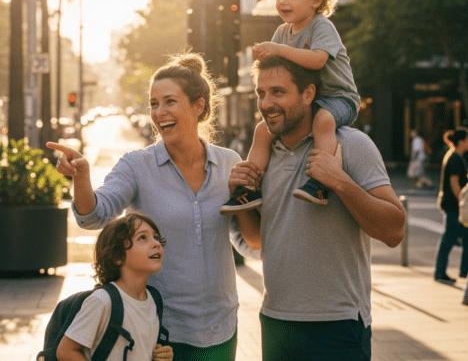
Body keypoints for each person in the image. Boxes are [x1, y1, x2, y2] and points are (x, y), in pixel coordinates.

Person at [48, 53, 241, 361]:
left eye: (169, 101)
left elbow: (247, 240)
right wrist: (82, 176)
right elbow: (93, 215)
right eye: (154, 104)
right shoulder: (137, 166)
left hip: (220, 328)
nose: (159, 112)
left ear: (199, 106)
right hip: (156, 333)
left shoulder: (229, 163)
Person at [231, 56, 405, 361]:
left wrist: (340, 181)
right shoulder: (263, 155)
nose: (266, 103)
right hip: (276, 321)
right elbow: (258, 242)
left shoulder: (351, 145)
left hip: (338, 324)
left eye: (278, 92)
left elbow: (394, 231)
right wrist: (240, 199)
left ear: (308, 94)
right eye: (261, 93)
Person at [220, 0, 360, 214]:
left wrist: (278, 49)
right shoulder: (283, 33)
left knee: (323, 122)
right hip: (307, 101)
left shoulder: (321, 27)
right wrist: (263, 57)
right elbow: (275, 70)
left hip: (338, 98)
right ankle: (248, 189)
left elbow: (318, 60)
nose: (283, 1)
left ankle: (320, 181)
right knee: (263, 130)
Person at [57, 212, 173, 361]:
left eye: (156, 237)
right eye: (142, 237)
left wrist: (162, 355)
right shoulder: (102, 301)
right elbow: (66, 351)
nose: (156, 243)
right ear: (118, 256)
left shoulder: (154, 299)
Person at [434, 127, 468, 284]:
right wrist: (463, 202)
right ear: (461, 141)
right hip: (453, 205)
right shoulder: (455, 158)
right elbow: (454, 183)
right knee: (449, 238)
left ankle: (455, 271)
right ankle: (441, 272)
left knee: (452, 238)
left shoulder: (454, 156)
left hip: (451, 204)